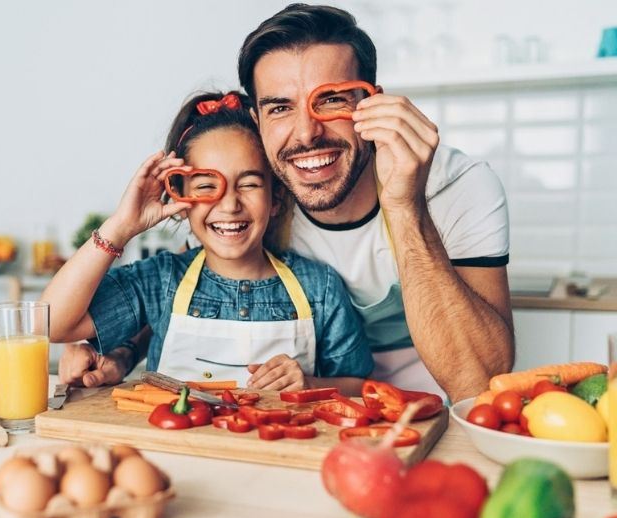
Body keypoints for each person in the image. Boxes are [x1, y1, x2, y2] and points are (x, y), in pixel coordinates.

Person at [60, 3, 514, 402]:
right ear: (256, 120)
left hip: (430, 402)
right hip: (317, 416)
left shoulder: (459, 187)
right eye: (280, 108)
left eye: (330, 100)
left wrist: (404, 204)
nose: (306, 133)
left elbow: (477, 383)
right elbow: (186, 286)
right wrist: (113, 348)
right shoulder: (269, 189)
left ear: (370, 103)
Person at [42, 91, 373, 393]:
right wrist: (120, 227)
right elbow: (52, 323)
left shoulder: (321, 287)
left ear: (276, 198)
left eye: (249, 184)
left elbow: (359, 385)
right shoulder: (160, 280)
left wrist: (310, 383)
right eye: (205, 186)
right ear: (180, 197)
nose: (229, 205)